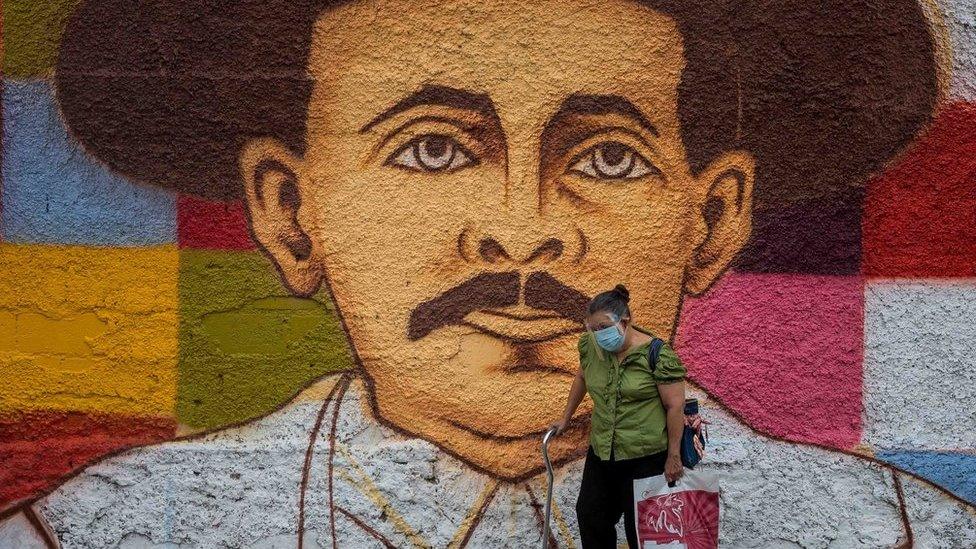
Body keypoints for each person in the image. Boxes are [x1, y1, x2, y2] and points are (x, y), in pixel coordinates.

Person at [2, 0, 976, 547]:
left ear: (711, 221)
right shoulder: (93, 537)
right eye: (430, 150)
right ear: (289, 216)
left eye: (604, 157)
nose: (521, 235)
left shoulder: (892, 538)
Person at [552, 284, 689, 548]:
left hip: (645, 457)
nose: (597, 334)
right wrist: (565, 417)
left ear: (625, 321)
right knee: (591, 515)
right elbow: (582, 376)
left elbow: (675, 406)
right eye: (592, 329)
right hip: (603, 451)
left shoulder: (657, 354)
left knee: (641, 529)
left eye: (603, 327)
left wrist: (674, 456)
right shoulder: (592, 347)